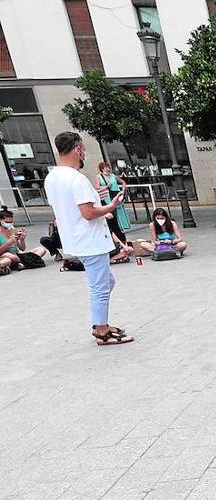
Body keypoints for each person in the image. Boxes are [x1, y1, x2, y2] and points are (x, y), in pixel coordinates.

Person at [44, 131, 133, 346]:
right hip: (90, 240)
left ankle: (100, 323)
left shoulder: (52, 177)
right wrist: (111, 206)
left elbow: (70, 208)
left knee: (106, 281)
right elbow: (88, 213)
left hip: (75, 238)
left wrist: (100, 204)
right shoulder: (76, 178)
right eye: (83, 149)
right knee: (100, 287)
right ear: (78, 150)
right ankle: (101, 330)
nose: (84, 154)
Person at [96, 161, 130, 231]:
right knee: (111, 209)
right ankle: (116, 226)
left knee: (119, 209)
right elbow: (97, 187)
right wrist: (106, 187)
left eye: (108, 167)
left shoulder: (113, 175)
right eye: (106, 168)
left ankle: (124, 226)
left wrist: (123, 191)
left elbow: (123, 182)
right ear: (102, 169)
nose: (108, 169)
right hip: (107, 196)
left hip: (116, 193)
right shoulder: (99, 176)